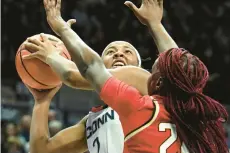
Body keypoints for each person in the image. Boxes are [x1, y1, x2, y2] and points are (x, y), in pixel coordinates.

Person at [26, 0, 229, 152]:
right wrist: (41, 101)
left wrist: (53, 49)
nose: (119, 53)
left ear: (151, 76)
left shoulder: (140, 89)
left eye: (127, 51)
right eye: (111, 51)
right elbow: (42, 150)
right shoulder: (92, 122)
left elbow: (79, 72)